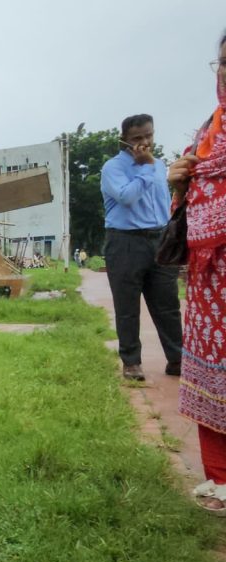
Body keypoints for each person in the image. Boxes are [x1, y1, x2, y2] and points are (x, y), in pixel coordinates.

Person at [169, 31, 226, 514]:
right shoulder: (211, 130)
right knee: (212, 371)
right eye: (222, 63)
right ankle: (221, 479)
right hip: (210, 275)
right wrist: (180, 179)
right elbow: (188, 196)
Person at [100, 114, 182, 382]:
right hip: (125, 242)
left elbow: (163, 202)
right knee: (127, 305)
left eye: (149, 135)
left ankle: (178, 358)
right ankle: (131, 363)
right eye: (137, 138)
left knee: (167, 304)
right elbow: (126, 197)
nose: (145, 142)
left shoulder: (161, 166)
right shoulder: (114, 168)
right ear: (125, 140)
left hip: (159, 240)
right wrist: (145, 167)